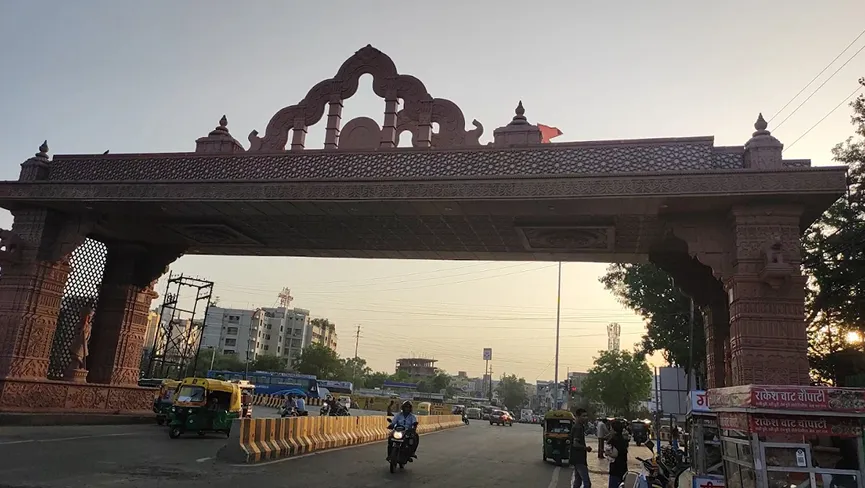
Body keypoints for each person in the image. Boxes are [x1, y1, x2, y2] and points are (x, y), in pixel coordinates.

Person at [570, 408, 593, 488]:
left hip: (577, 458)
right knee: (587, 483)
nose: (585, 418)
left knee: (578, 481)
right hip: (579, 458)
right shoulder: (578, 428)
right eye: (583, 416)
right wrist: (586, 448)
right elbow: (575, 444)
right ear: (577, 416)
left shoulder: (579, 426)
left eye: (586, 416)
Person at [606, 420, 629, 488]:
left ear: (613, 429)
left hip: (616, 468)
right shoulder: (622, 439)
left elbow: (615, 454)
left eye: (611, 428)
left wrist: (607, 453)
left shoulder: (614, 439)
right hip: (623, 468)